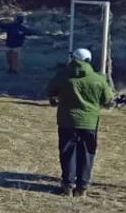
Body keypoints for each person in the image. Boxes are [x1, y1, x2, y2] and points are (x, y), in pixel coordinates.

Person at [46, 48, 111, 197]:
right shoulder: (98, 78)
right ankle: (82, 186)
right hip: (89, 122)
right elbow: (107, 99)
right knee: (87, 153)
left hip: (67, 121)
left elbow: (50, 91)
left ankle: (68, 185)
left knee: (67, 152)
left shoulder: (63, 76)